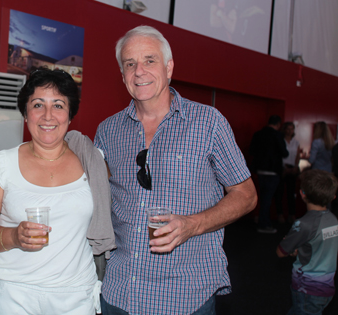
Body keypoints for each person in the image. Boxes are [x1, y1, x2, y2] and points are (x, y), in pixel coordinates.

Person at [94, 25, 257, 315]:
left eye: (149, 60)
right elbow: (100, 200)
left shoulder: (209, 123)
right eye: (130, 64)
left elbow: (246, 195)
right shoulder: (108, 131)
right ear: (122, 75)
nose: (139, 71)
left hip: (184, 296)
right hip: (119, 294)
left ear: (169, 67)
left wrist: (192, 224)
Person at [0, 68, 115, 315]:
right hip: (13, 294)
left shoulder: (90, 162)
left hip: (75, 295)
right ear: (26, 113)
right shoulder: (2, 165)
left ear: (70, 115)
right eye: (38, 104)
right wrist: (14, 237)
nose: (48, 116)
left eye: (58, 105)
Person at [277, 170, 338, 315]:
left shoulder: (303, 224)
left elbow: (281, 252)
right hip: (327, 288)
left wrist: (292, 247)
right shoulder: (334, 220)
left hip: (307, 289)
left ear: (302, 194)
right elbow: (321, 244)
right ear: (333, 197)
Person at [250, 115, 289, 234]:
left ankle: (261, 220)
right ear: (278, 124)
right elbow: (284, 153)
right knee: (267, 199)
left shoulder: (258, 134)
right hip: (272, 171)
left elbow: (251, 150)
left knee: (261, 198)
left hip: (259, 170)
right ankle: (264, 224)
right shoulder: (277, 135)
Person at [276, 122, 302, 224]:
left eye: (292, 129)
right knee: (280, 193)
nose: (290, 131)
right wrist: (284, 169)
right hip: (282, 169)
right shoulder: (281, 141)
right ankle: (280, 214)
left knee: (291, 194)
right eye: (288, 129)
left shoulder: (296, 142)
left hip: (292, 169)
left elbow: (297, 156)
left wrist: (295, 167)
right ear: (284, 129)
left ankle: (292, 214)